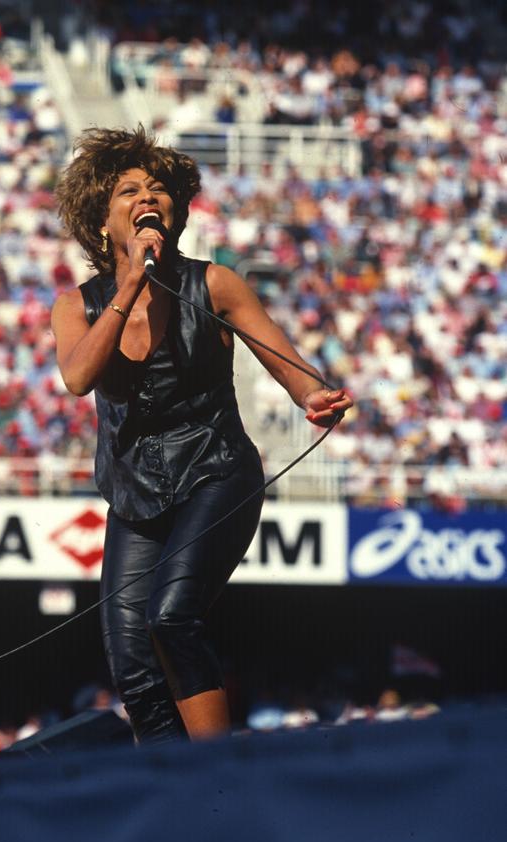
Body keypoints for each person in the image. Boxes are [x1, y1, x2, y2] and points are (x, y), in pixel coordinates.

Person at [51, 126, 353, 744]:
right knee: (130, 660)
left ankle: (215, 777)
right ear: (103, 222)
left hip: (217, 472)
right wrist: (129, 284)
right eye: (129, 190)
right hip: (134, 495)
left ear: (177, 210)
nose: (147, 197)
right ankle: (169, 787)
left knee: (170, 617)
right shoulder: (75, 306)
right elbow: (79, 376)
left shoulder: (215, 284)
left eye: (158, 189)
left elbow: (290, 366)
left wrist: (313, 397)